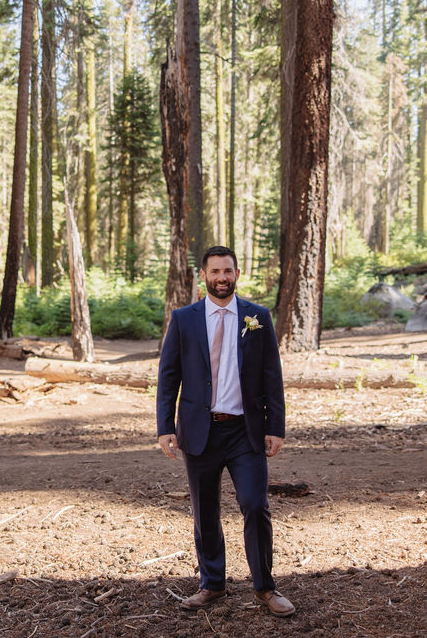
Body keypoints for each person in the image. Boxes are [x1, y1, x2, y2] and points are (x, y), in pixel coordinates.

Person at [156, 245, 294, 617]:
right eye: (215, 271)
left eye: (228, 271)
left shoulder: (258, 317)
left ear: (237, 273)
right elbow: (169, 375)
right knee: (205, 510)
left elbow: (271, 377)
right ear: (203, 275)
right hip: (200, 431)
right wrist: (164, 425)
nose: (222, 278)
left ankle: (265, 587)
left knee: (254, 504)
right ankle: (212, 584)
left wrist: (275, 427)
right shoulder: (184, 319)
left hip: (245, 432)